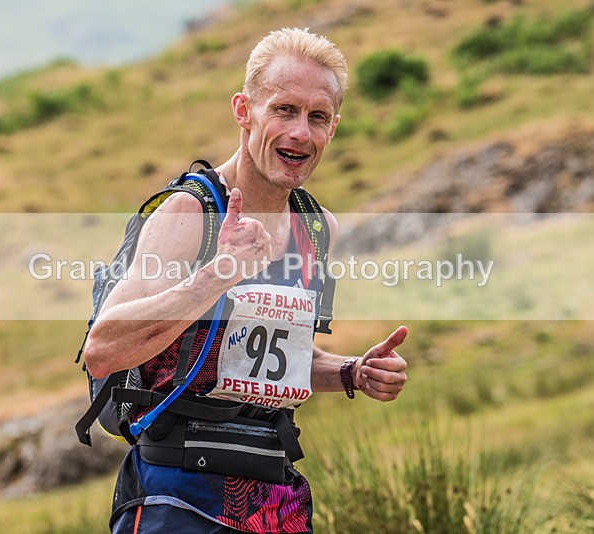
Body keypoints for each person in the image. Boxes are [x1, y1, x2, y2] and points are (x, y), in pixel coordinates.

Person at [84, 27, 408, 534]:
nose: (301, 132)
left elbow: (267, 353)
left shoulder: (317, 228)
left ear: (333, 128)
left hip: (275, 498)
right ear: (244, 110)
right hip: (176, 495)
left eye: (317, 117)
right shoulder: (191, 212)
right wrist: (217, 274)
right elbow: (103, 350)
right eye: (284, 110)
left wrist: (352, 372)